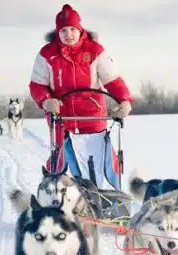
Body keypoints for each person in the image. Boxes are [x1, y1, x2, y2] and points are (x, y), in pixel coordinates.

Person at [29, 4, 133, 191]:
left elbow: (113, 80)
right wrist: (46, 100)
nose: (68, 34)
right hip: (61, 119)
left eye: (72, 29)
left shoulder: (94, 51)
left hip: (93, 117)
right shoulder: (47, 54)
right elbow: (37, 85)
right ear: (57, 32)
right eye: (64, 30)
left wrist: (124, 101)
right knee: (62, 163)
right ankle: (60, 201)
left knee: (97, 163)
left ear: (80, 29)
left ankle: (104, 199)